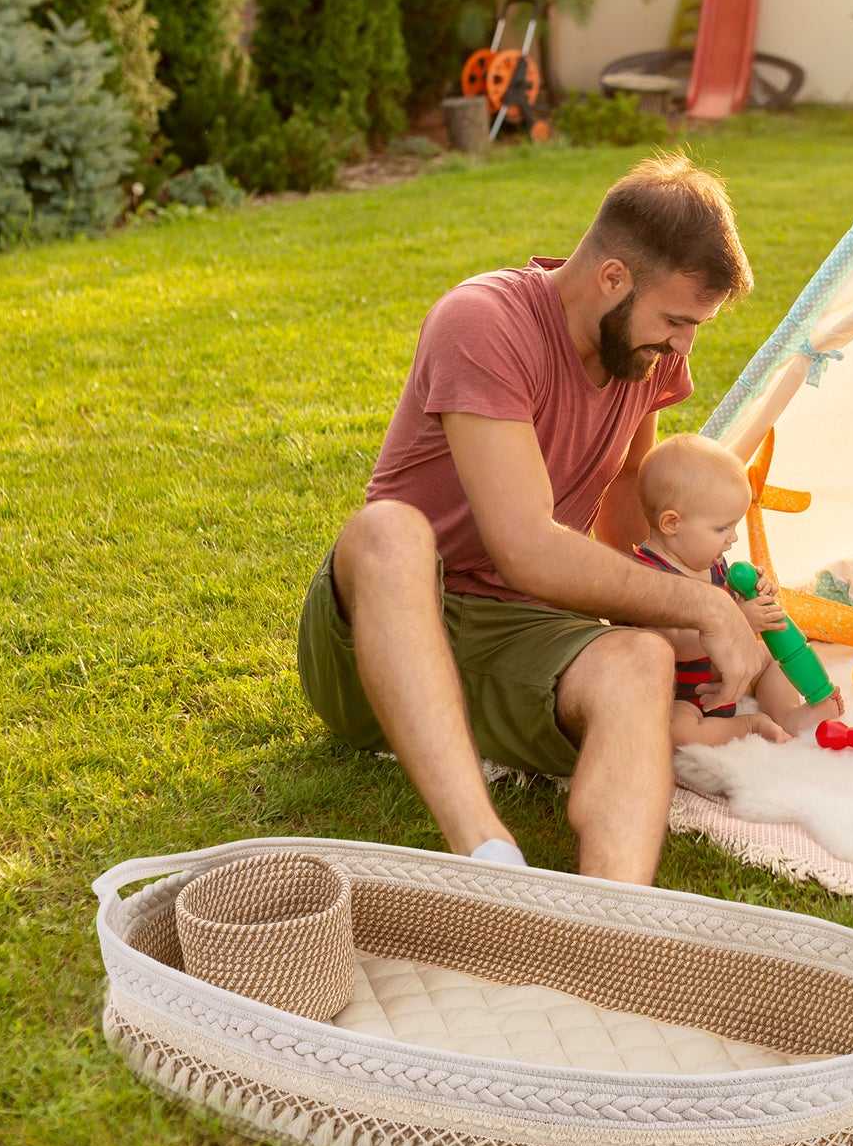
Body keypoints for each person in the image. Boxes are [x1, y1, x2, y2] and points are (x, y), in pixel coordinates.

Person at [296, 153, 770, 886]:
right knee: (391, 530)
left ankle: (614, 913)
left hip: (515, 640)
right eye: (676, 319)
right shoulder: (482, 321)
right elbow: (522, 547)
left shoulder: (641, 358)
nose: (683, 345)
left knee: (639, 661)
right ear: (612, 277)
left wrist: (707, 612)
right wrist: (700, 605)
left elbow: (622, 519)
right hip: (384, 627)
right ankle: (490, 857)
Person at [632, 433, 843, 748]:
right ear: (672, 524)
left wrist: (755, 595)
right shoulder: (649, 575)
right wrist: (738, 621)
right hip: (686, 693)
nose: (732, 539)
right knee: (676, 734)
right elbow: (673, 644)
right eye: (721, 528)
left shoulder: (711, 561)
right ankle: (751, 725)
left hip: (732, 673)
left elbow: (735, 603)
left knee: (771, 659)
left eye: (733, 526)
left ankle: (787, 714)